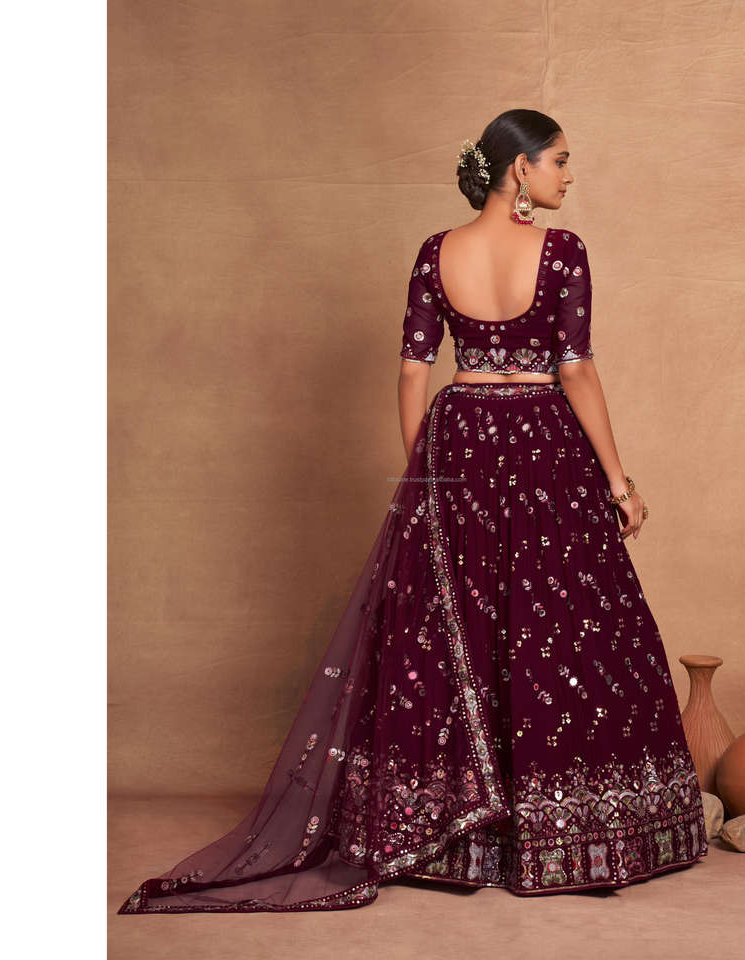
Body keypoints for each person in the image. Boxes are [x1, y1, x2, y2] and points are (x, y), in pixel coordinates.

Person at [118, 108, 708, 915]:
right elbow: (575, 369)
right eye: (560, 161)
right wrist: (619, 483)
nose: (570, 176)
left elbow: (412, 372)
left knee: (464, 626)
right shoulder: (562, 251)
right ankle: (560, 834)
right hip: (544, 441)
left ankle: (459, 837)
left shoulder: (437, 252)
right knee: (561, 628)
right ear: (520, 168)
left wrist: (424, 478)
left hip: (458, 440)